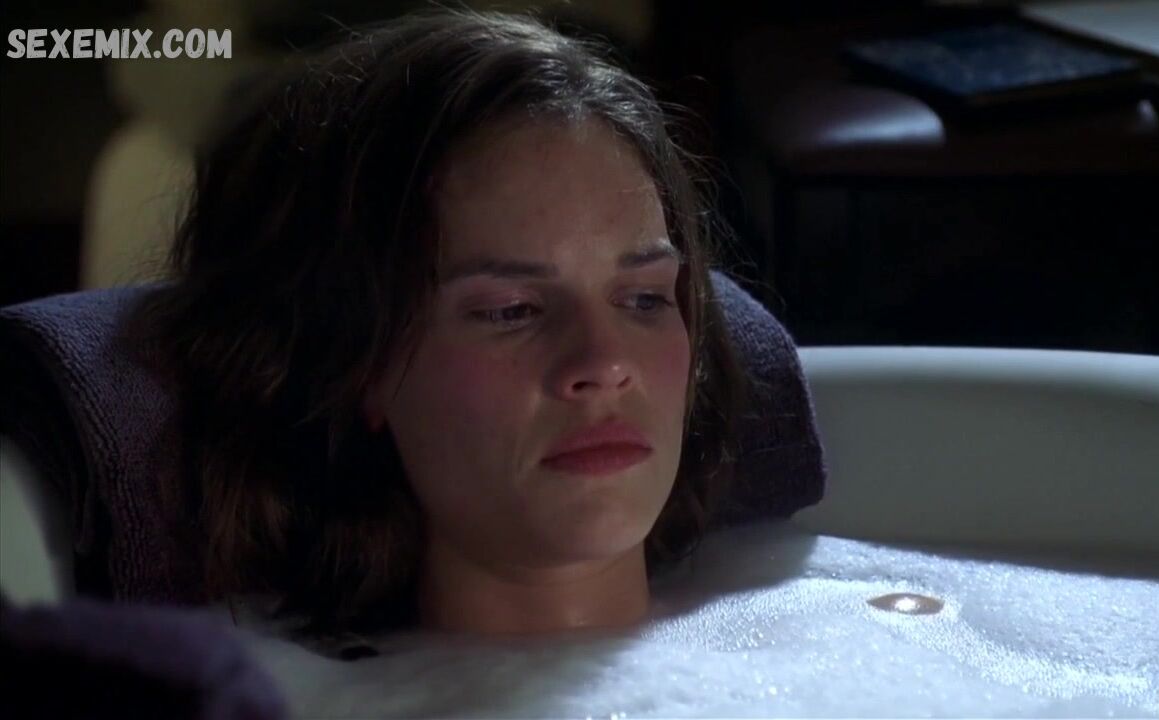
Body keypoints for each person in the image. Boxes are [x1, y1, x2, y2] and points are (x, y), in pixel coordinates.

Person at [127, 7, 750, 640]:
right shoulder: (264, 683)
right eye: (511, 310)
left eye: (644, 299)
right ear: (361, 362)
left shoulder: (796, 617)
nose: (605, 363)